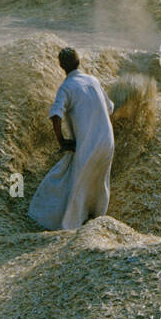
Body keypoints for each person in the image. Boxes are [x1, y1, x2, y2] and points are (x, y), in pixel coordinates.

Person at [28, 48, 115, 231]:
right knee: (99, 184)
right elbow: (110, 108)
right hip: (107, 141)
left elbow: (55, 115)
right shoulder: (93, 80)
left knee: (78, 187)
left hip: (88, 145)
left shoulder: (66, 87)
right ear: (79, 61)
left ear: (61, 66)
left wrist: (62, 141)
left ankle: (71, 228)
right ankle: (97, 222)